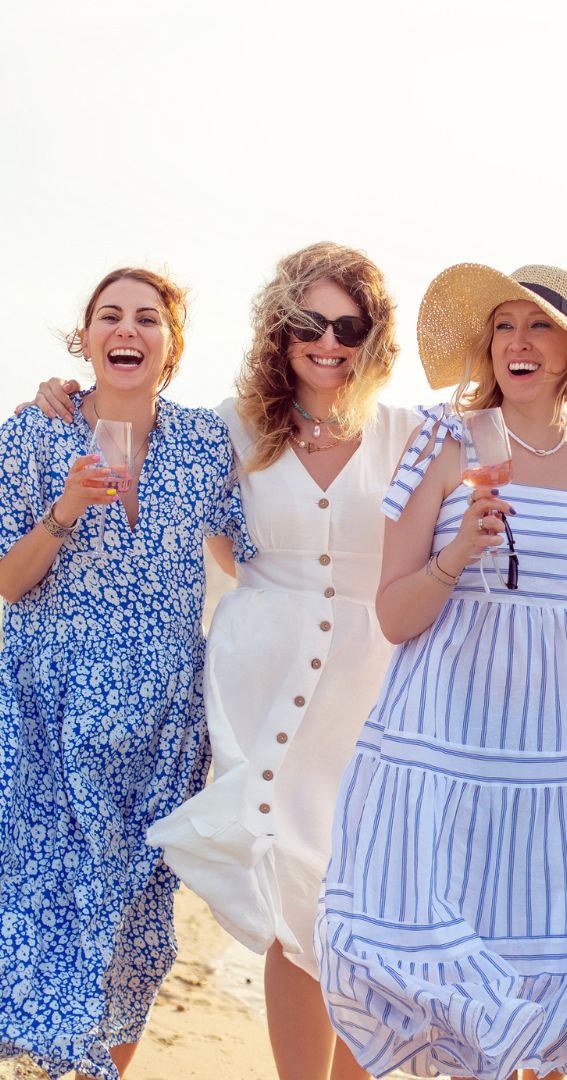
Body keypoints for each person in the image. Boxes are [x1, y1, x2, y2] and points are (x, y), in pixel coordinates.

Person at [28, 242, 415, 1080]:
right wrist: (62, 395)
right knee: (288, 893)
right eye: (309, 322)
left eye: (349, 326)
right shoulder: (234, 427)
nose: (328, 341)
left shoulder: (410, 431)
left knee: (364, 898)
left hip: (372, 685)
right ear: (281, 330)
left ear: (374, 336)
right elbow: (151, 453)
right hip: (258, 685)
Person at [316, 263, 567, 1080]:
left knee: (544, 957)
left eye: (539, 327)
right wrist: (459, 553)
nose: (519, 342)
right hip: (445, 745)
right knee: (408, 949)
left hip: (561, 759)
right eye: (505, 326)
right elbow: (394, 615)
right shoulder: (445, 440)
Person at [0, 269, 253, 1080]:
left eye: (148, 319)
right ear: (86, 340)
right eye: (110, 316)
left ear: (171, 348)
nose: (128, 330)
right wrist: (65, 508)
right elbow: (9, 581)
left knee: (134, 934)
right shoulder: (34, 435)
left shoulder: (205, 442)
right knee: (38, 918)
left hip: (163, 732)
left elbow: (255, 551)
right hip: (51, 722)